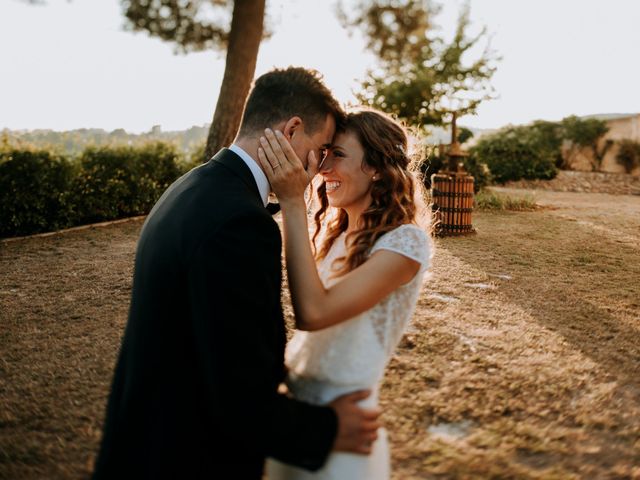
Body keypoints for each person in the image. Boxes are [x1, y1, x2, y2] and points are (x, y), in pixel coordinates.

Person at [91, 68, 381, 480]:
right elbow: (241, 396)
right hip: (185, 459)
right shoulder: (240, 224)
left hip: (140, 446)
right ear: (293, 130)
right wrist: (330, 428)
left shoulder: (191, 186)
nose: (318, 169)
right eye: (320, 150)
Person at [258, 108, 433, 479]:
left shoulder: (405, 243)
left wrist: (292, 202)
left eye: (337, 155)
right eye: (324, 154)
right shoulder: (335, 237)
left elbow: (314, 313)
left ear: (375, 167)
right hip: (303, 420)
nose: (323, 169)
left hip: (345, 430)